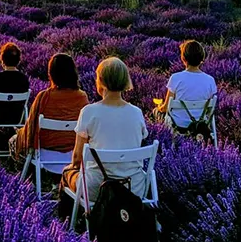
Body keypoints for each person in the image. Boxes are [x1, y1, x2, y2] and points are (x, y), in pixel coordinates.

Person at [62, 57, 150, 204]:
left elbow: (77, 159)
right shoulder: (136, 112)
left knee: (67, 174)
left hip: (97, 188)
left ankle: (68, 222)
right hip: (133, 188)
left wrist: (71, 168)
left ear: (101, 81)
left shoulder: (89, 112)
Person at [12, 53, 87, 160]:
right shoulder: (82, 97)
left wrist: (20, 133)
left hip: (46, 153)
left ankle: (28, 174)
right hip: (74, 152)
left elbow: (31, 128)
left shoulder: (44, 96)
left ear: (51, 74)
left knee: (13, 142)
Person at [156, 40, 217, 129]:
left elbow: (166, 108)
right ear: (202, 58)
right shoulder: (210, 80)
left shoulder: (176, 78)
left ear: (183, 58)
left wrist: (159, 108)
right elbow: (208, 110)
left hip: (178, 123)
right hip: (201, 124)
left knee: (156, 112)